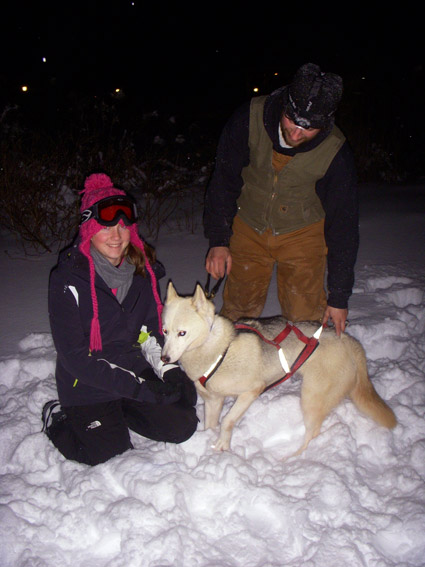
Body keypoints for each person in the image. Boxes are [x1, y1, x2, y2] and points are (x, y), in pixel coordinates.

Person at [42, 173, 198, 466]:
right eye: (106, 226)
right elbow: (77, 359)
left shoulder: (142, 273)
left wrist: (166, 369)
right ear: (88, 229)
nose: (116, 235)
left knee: (182, 423)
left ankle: (120, 411)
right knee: (108, 455)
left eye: (124, 226)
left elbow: (148, 333)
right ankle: (60, 420)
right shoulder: (67, 281)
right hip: (87, 384)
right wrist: (143, 389)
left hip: (131, 369)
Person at [204, 62, 359, 337]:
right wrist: (219, 240)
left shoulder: (336, 152)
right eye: (292, 119)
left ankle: (307, 366)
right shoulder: (249, 119)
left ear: (325, 124)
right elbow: (223, 181)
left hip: (303, 234)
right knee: (239, 308)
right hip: (248, 226)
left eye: (309, 128)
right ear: (285, 103)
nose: (297, 132)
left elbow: (343, 226)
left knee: (305, 315)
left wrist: (339, 297)